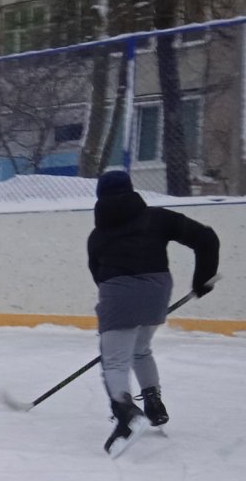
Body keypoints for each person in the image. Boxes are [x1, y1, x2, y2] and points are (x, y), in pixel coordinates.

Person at [85, 169, 219, 455]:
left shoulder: (97, 236)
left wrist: (119, 303)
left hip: (118, 294)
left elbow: (97, 274)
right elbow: (206, 238)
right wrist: (202, 279)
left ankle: (126, 416)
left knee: (114, 363)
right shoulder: (158, 218)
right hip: (156, 293)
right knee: (141, 349)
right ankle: (153, 404)